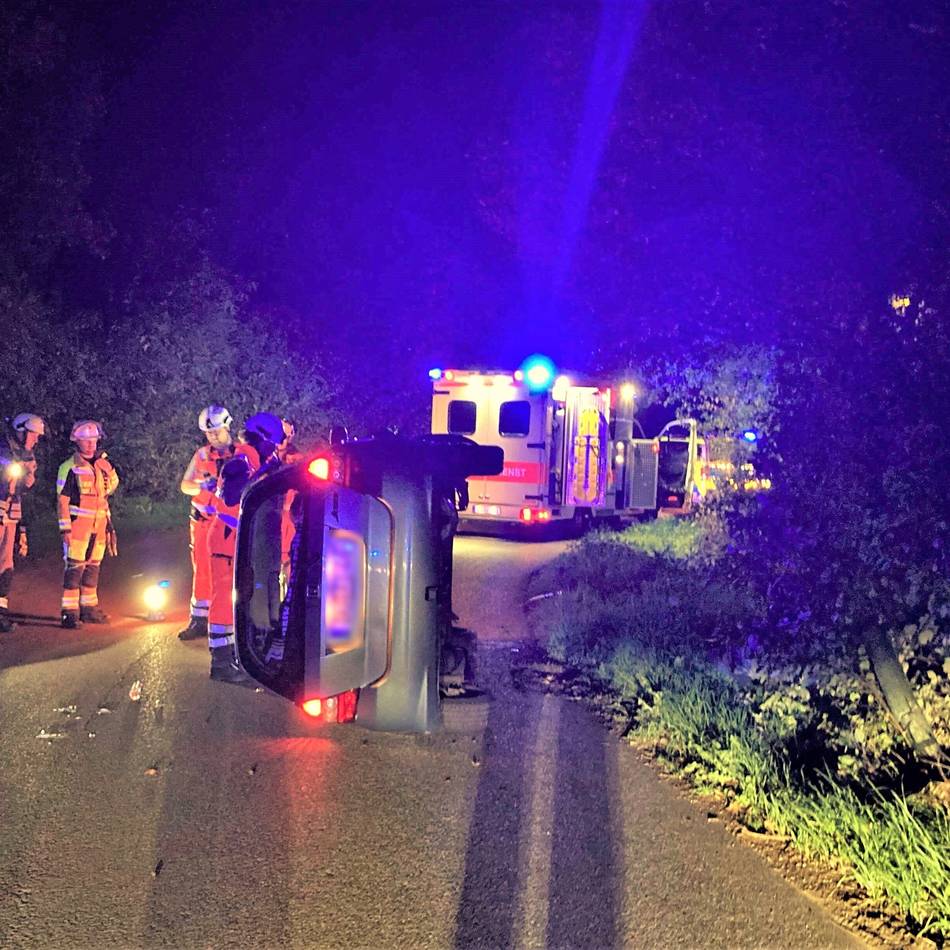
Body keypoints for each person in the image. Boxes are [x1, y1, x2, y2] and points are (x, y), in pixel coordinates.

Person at [207, 411, 284, 683]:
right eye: (271, 443)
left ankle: (234, 658)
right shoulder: (241, 462)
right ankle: (221, 663)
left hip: (238, 543)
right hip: (227, 541)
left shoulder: (255, 459)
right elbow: (234, 498)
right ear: (260, 438)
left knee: (237, 600)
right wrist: (264, 474)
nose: (274, 448)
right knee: (224, 602)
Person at [176, 405, 235, 641]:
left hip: (228, 525)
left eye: (217, 431)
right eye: (209, 433)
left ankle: (229, 618)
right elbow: (184, 485)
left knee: (228, 572)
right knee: (201, 571)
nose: (213, 436)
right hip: (202, 522)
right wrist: (201, 486)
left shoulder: (240, 454)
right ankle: (199, 619)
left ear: (227, 426)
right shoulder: (201, 455)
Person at [57, 421, 119, 628]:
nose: (91, 445)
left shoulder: (101, 465)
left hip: (99, 526)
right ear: (78, 442)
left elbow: (111, 488)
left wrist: (107, 467)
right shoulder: (69, 467)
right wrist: (65, 528)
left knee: (93, 567)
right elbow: (62, 500)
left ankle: (89, 609)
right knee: (74, 569)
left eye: (94, 441)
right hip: (78, 528)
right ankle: (69, 614)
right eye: (87, 441)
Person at [0, 413, 46, 632]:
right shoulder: (3, 448)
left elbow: (25, 487)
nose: (36, 440)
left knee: (5, 564)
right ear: (21, 431)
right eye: (33, 435)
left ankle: (0, 611)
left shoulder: (27, 456)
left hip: (10, 514)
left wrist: (23, 529)